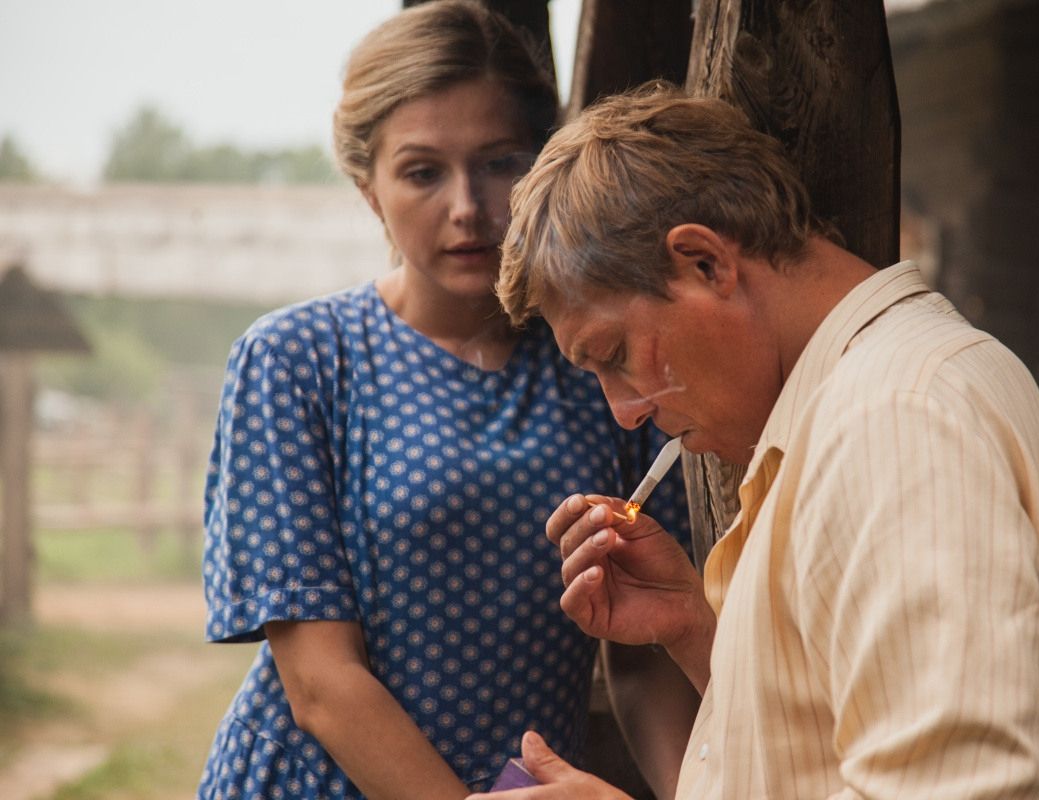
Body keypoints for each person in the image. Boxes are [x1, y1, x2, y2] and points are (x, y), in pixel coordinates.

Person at [466, 81, 1039, 799]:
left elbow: (958, 788)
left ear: (705, 263)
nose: (624, 413)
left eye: (616, 354)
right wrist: (695, 628)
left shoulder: (893, 419)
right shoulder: (858, 409)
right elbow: (819, 751)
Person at [197, 6, 698, 800]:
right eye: (422, 172)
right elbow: (321, 684)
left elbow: (642, 654)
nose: (467, 206)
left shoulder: (599, 359)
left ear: (542, 169)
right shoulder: (297, 361)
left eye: (499, 164)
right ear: (368, 189)